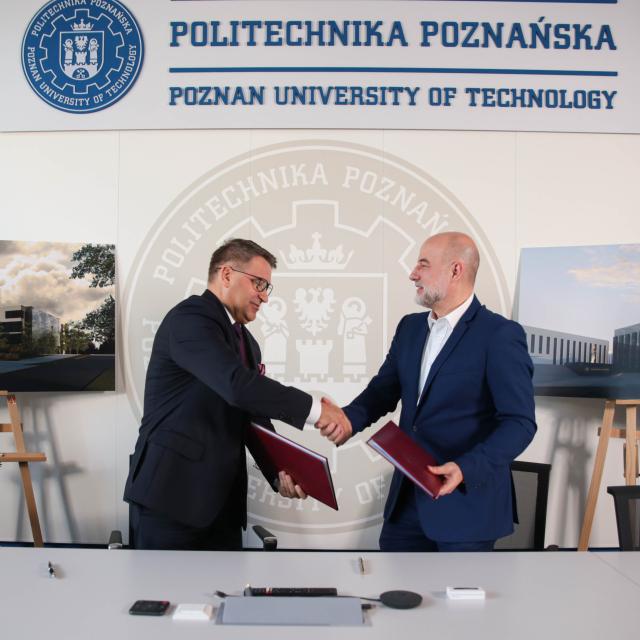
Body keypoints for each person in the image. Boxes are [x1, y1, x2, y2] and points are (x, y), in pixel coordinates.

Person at [124, 238, 351, 550]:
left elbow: (252, 416)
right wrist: (316, 410)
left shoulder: (248, 343)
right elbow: (236, 386)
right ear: (227, 274)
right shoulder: (189, 319)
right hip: (170, 499)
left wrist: (279, 472)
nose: (264, 297)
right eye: (259, 283)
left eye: (267, 288)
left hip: (222, 508)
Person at [322, 231, 536, 552]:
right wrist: (348, 419)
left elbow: (520, 423)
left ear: (455, 270)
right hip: (407, 503)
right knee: (392, 584)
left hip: (467, 507)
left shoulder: (499, 335)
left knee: (457, 589)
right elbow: (382, 391)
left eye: (423, 264)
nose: (413, 274)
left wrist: (466, 468)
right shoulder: (410, 328)